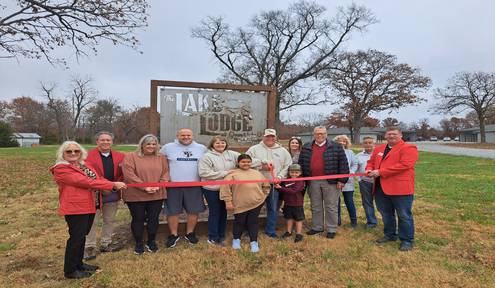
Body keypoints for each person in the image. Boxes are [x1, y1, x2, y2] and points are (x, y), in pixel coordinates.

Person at [50, 141, 126, 279]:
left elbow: (98, 178)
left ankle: (79, 264)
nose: (73, 154)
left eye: (76, 151)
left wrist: (110, 183)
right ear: (62, 154)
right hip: (76, 207)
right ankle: (70, 270)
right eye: (69, 151)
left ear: (81, 152)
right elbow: (86, 182)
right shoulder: (61, 168)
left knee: (81, 236)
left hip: (91, 204)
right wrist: (112, 184)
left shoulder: (85, 164)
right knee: (76, 238)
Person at [366, 126, 419, 251]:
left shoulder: (408, 148)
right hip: (380, 188)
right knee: (386, 214)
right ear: (385, 136)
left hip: (400, 188)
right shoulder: (379, 149)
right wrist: (368, 169)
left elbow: (405, 165)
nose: (391, 136)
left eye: (394, 134)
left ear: (400, 135)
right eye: (389, 134)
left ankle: (406, 240)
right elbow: (371, 162)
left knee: (404, 215)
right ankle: (390, 235)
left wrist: (380, 172)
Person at [298, 126, 349, 239]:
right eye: (317, 133)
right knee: (315, 205)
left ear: (326, 134)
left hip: (330, 181)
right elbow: (301, 163)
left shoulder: (336, 146)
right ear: (314, 134)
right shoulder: (307, 147)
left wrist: (342, 180)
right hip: (312, 181)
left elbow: (343, 164)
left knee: (331, 206)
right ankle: (317, 227)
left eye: (322, 133)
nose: (319, 136)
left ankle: (331, 228)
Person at [123, 134, 169, 254]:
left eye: (154, 144)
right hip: (135, 194)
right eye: (148, 144)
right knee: (138, 218)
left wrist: (158, 185)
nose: (151, 146)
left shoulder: (161, 157)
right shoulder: (131, 157)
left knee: (153, 219)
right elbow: (129, 175)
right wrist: (145, 187)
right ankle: (138, 243)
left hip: (157, 193)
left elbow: (166, 172)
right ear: (142, 145)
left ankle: (151, 241)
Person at [160, 128, 207, 248]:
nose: (186, 137)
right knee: (173, 211)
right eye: (183, 135)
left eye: (188, 135)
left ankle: (190, 233)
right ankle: (173, 235)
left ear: (193, 136)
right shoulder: (168, 147)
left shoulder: (201, 148)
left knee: (193, 210)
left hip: (194, 184)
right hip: (173, 185)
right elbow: (159, 162)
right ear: (177, 135)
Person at [83, 131, 125, 260]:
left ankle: (106, 243)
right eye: (102, 140)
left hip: (112, 192)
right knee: (92, 221)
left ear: (112, 142)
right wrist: (105, 185)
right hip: (94, 192)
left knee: (109, 219)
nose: (105, 142)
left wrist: (115, 185)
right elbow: (89, 173)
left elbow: (122, 173)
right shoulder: (87, 156)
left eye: (108, 140)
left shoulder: (120, 156)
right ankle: (89, 246)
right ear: (97, 142)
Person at [246, 128, 292, 238]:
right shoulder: (254, 149)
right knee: (253, 208)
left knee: (273, 208)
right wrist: (261, 165)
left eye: (272, 137)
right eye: (268, 136)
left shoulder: (283, 151)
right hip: (257, 184)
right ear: (263, 137)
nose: (270, 139)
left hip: (273, 184)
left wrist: (279, 177)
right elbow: (245, 162)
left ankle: (270, 231)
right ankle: (249, 230)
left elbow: (287, 165)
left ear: (275, 138)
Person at [220, 154, 270, 252]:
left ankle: (254, 242)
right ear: (238, 163)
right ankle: (236, 240)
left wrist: (263, 197)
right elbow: (225, 189)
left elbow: (266, 185)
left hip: (256, 203)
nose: (246, 164)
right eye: (243, 162)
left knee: (253, 222)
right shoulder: (232, 174)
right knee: (239, 222)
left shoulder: (257, 173)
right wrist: (228, 202)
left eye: (248, 162)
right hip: (239, 204)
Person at [198, 135, 240, 246]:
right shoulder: (206, 156)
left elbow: (246, 159)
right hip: (212, 189)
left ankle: (221, 236)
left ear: (226, 144)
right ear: (212, 144)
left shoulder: (232, 154)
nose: (220, 145)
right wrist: (225, 173)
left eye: (222, 142)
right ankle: (212, 237)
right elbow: (204, 173)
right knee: (215, 212)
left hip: (226, 189)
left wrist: (262, 162)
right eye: (217, 143)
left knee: (224, 212)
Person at [276, 164, 306, 243]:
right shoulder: (287, 180)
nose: (294, 174)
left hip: (297, 203)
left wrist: (281, 188)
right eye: (292, 172)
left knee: (298, 219)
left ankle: (299, 234)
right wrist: (278, 185)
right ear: (289, 172)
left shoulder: (300, 181)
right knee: (289, 218)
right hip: (288, 203)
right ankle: (288, 232)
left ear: (300, 173)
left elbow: (294, 191)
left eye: (296, 172)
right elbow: (280, 187)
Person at [334, 135, 358, 228]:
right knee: (336, 201)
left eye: (344, 141)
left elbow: (354, 164)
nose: (341, 143)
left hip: (348, 181)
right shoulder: (332, 152)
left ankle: (353, 221)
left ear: (346, 143)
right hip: (335, 181)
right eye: (339, 141)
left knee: (349, 201)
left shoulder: (350, 152)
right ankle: (337, 221)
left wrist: (350, 172)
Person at [356, 136, 377, 228]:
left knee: (383, 203)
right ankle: (371, 222)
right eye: (366, 143)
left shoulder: (380, 154)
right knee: (367, 202)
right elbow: (355, 169)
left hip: (380, 182)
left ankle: (388, 221)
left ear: (374, 144)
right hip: (365, 183)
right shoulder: (358, 156)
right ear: (363, 144)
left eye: (370, 143)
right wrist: (360, 180)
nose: (368, 145)